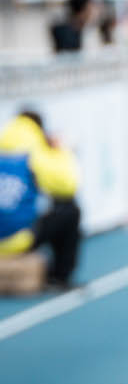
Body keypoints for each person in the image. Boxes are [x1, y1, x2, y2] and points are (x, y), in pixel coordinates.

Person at [0, 109, 83, 291]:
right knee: (69, 210)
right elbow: (68, 185)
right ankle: (59, 277)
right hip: (18, 238)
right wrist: (60, 151)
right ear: (39, 128)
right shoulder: (34, 152)